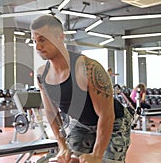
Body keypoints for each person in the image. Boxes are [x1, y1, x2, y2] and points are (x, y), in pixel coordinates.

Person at [30, 15, 132, 163]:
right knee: (70, 160)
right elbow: (51, 112)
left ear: (60, 37)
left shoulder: (88, 68)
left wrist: (97, 154)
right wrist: (62, 145)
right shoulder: (42, 75)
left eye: (42, 40)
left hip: (114, 121)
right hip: (81, 123)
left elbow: (106, 115)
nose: (38, 47)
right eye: (34, 41)